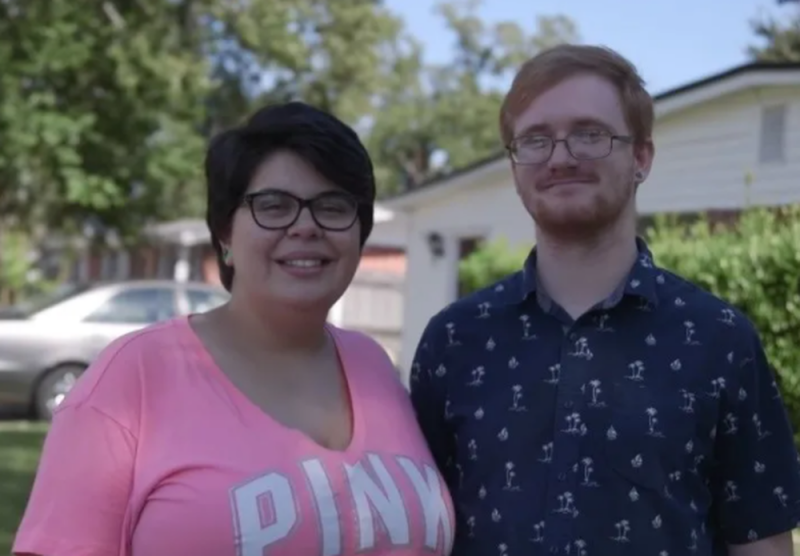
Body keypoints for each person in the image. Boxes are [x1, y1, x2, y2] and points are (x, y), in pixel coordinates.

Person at [14, 102, 455, 556]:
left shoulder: (373, 367)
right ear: (225, 233)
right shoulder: (133, 378)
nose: (306, 226)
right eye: (274, 206)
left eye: (333, 206)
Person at [410, 44, 800, 556]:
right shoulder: (454, 341)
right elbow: (415, 532)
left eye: (589, 134)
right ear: (514, 166)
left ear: (641, 157)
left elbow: (761, 542)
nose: (560, 157)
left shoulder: (721, 341)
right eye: (535, 139)